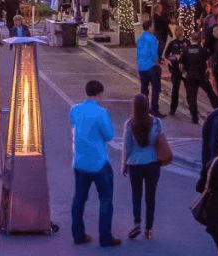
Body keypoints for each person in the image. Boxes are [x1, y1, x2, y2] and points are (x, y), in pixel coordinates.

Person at [69, 80, 120, 247]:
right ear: (100, 94)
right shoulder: (101, 112)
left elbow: (73, 124)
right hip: (99, 162)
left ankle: (78, 234)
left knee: (79, 199)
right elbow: (109, 135)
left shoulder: (75, 110)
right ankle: (105, 237)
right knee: (105, 199)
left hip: (80, 162)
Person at [122, 94, 162, 241]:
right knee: (151, 196)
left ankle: (137, 224)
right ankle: (149, 229)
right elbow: (160, 143)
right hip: (153, 163)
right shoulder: (157, 123)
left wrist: (124, 165)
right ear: (147, 105)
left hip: (135, 164)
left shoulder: (129, 124)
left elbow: (126, 147)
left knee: (136, 195)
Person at [136, 20, 163, 117]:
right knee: (155, 89)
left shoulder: (140, 38)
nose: (154, 28)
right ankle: (154, 109)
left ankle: (144, 109)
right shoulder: (152, 39)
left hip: (141, 66)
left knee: (144, 89)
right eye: (152, 26)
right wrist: (158, 63)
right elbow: (154, 54)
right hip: (151, 66)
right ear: (149, 27)